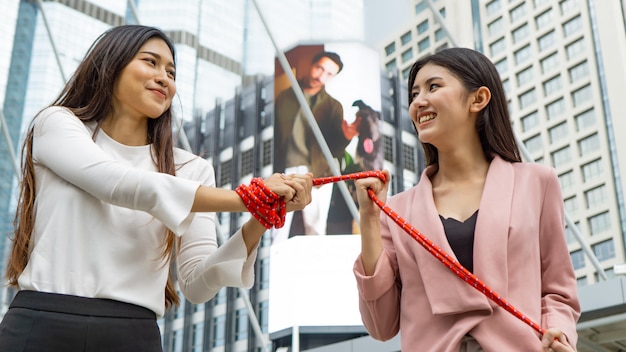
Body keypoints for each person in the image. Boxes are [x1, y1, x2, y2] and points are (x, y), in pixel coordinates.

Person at [0, 25, 312, 352]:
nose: (164, 77)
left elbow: (197, 284)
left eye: (171, 71)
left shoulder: (192, 170)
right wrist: (246, 198)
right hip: (41, 325)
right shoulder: (57, 124)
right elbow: (117, 183)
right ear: (111, 64)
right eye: (150, 62)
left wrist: (261, 214)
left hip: (132, 336)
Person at [352, 48, 580, 352]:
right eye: (414, 93)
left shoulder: (537, 183)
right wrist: (368, 220)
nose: (418, 102)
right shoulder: (396, 210)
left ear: (479, 99)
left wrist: (558, 332)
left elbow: (558, 291)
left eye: (433, 87)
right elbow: (381, 325)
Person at [272, 51, 360, 242]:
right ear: (311, 65)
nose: (321, 76)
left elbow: (334, 151)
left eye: (329, 74)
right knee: (276, 228)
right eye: (319, 68)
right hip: (284, 169)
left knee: (316, 229)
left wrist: (346, 137)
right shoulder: (285, 97)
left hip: (318, 173)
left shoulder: (333, 106)